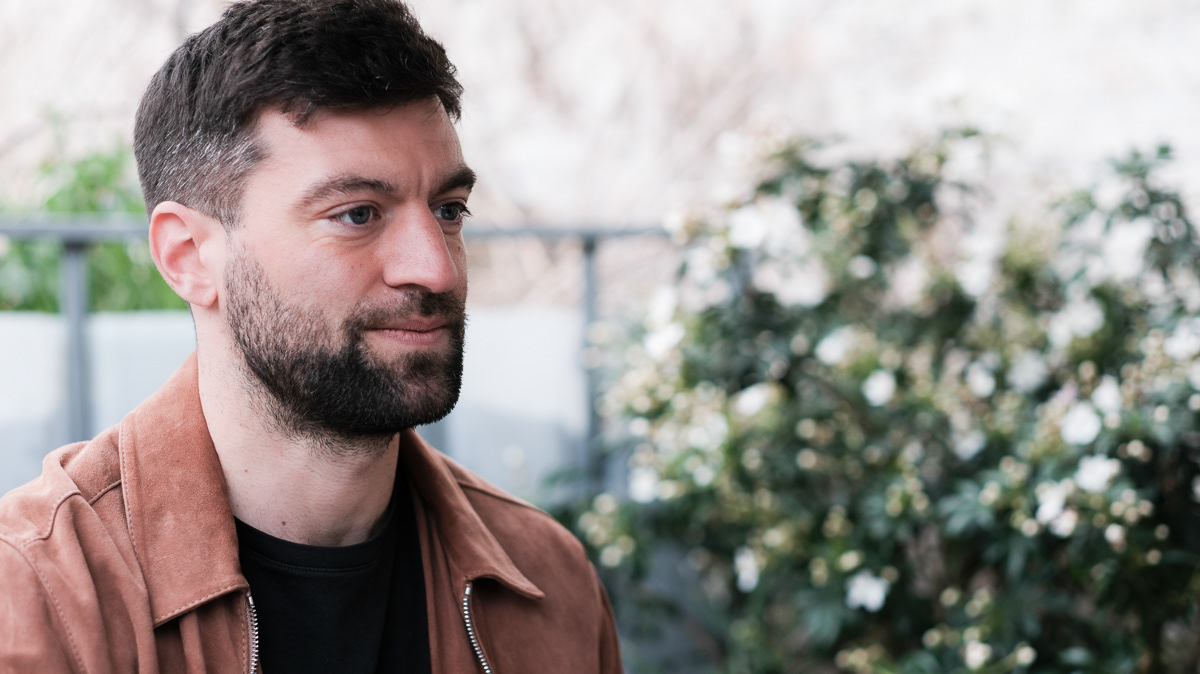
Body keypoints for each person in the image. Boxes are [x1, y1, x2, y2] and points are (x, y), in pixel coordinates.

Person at [0, 0, 622, 671]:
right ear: (190, 256)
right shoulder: (36, 597)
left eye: (448, 210)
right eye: (357, 214)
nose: (436, 268)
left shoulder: (547, 581)